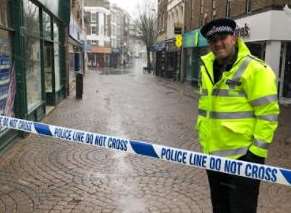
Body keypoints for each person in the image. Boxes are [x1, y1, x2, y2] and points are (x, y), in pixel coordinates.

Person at [196, 18, 279, 213]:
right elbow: (205, 109)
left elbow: (268, 115)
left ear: (234, 38)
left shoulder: (257, 69)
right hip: (214, 158)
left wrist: (254, 156)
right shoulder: (206, 68)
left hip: (243, 159)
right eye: (212, 40)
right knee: (220, 208)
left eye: (223, 37)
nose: (217, 43)